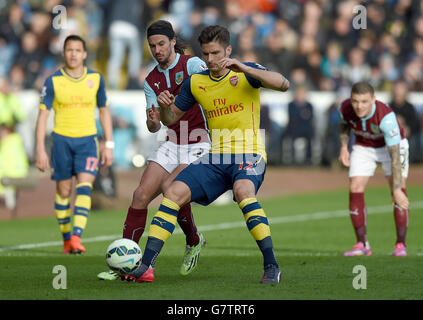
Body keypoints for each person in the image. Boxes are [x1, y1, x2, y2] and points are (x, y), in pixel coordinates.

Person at [124, 25, 289, 284]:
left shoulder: (247, 72)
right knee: (172, 193)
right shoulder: (196, 82)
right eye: (206, 54)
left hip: (249, 152)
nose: (210, 60)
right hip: (216, 154)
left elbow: (283, 83)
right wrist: (165, 108)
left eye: (215, 53)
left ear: (228, 51)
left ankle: (271, 265)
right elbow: (171, 119)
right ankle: (146, 265)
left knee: (244, 192)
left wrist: (243, 67)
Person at [97, 20, 210, 280]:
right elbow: (152, 125)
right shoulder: (151, 80)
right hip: (172, 141)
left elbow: (212, 89)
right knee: (139, 196)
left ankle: (165, 256)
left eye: (161, 44)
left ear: (172, 42)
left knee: (172, 189)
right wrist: (152, 117)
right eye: (152, 46)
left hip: (200, 141)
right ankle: (127, 265)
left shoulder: (191, 65)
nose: (157, 50)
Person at [35, 35, 114, 254]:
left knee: (84, 186)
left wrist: (108, 144)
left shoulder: (96, 79)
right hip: (61, 141)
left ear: (84, 54)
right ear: (63, 53)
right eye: (69, 50)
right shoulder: (53, 81)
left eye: (78, 50)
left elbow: (104, 111)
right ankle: (67, 238)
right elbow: (42, 117)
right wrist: (40, 149)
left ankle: (77, 237)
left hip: (88, 141)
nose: (73, 54)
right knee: (63, 191)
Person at [337, 82, 410, 257]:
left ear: (373, 100)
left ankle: (400, 245)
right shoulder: (344, 108)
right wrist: (344, 147)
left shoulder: (386, 117)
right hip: (364, 146)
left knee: (397, 191)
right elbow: (343, 125)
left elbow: (394, 157)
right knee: (355, 186)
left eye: (364, 101)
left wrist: (397, 188)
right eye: (355, 101)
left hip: (391, 148)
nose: (359, 106)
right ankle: (362, 244)